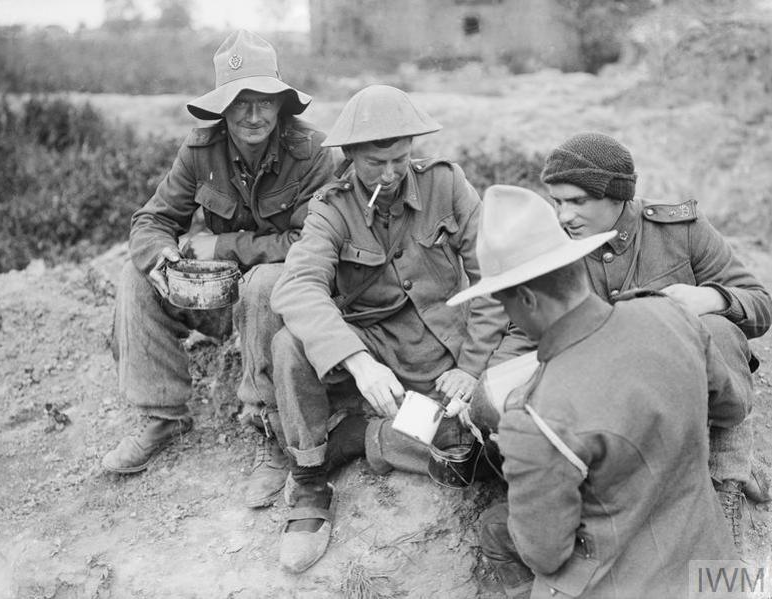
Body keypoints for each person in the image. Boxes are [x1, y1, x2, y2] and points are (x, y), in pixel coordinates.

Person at [449, 184, 746, 598]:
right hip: (718, 570)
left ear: (528, 300)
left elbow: (546, 554)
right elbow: (732, 408)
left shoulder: (534, 419)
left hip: (627, 587)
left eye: (504, 303)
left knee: (498, 532)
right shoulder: (671, 315)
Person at [480, 132, 771, 548]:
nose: (563, 216)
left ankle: (726, 481)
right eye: (557, 202)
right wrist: (493, 385)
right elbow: (524, 333)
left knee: (720, 331)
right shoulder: (557, 249)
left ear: (617, 197)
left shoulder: (679, 229)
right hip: (617, 400)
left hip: (688, 383)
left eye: (577, 202)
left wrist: (706, 297)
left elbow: (760, 305)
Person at [268, 84, 503, 573]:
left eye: (400, 158)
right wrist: (357, 362)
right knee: (289, 343)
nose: (392, 173)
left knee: (476, 462)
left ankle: (361, 437)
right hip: (371, 347)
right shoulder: (330, 208)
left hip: (443, 348)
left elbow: (492, 279)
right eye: (376, 163)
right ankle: (310, 477)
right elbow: (296, 288)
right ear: (351, 156)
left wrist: (471, 368)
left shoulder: (447, 183)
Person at [102, 29, 335, 511]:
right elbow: (151, 219)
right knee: (135, 276)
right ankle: (163, 415)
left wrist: (220, 245)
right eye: (240, 103)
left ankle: (270, 432)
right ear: (223, 108)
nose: (253, 116)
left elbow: (308, 244)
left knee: (266, 283)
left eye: (264, 102)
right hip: (219, 301)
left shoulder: (313, 153)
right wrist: (162, 256)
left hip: (287, 304)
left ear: (280, 104)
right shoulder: (199, 151)